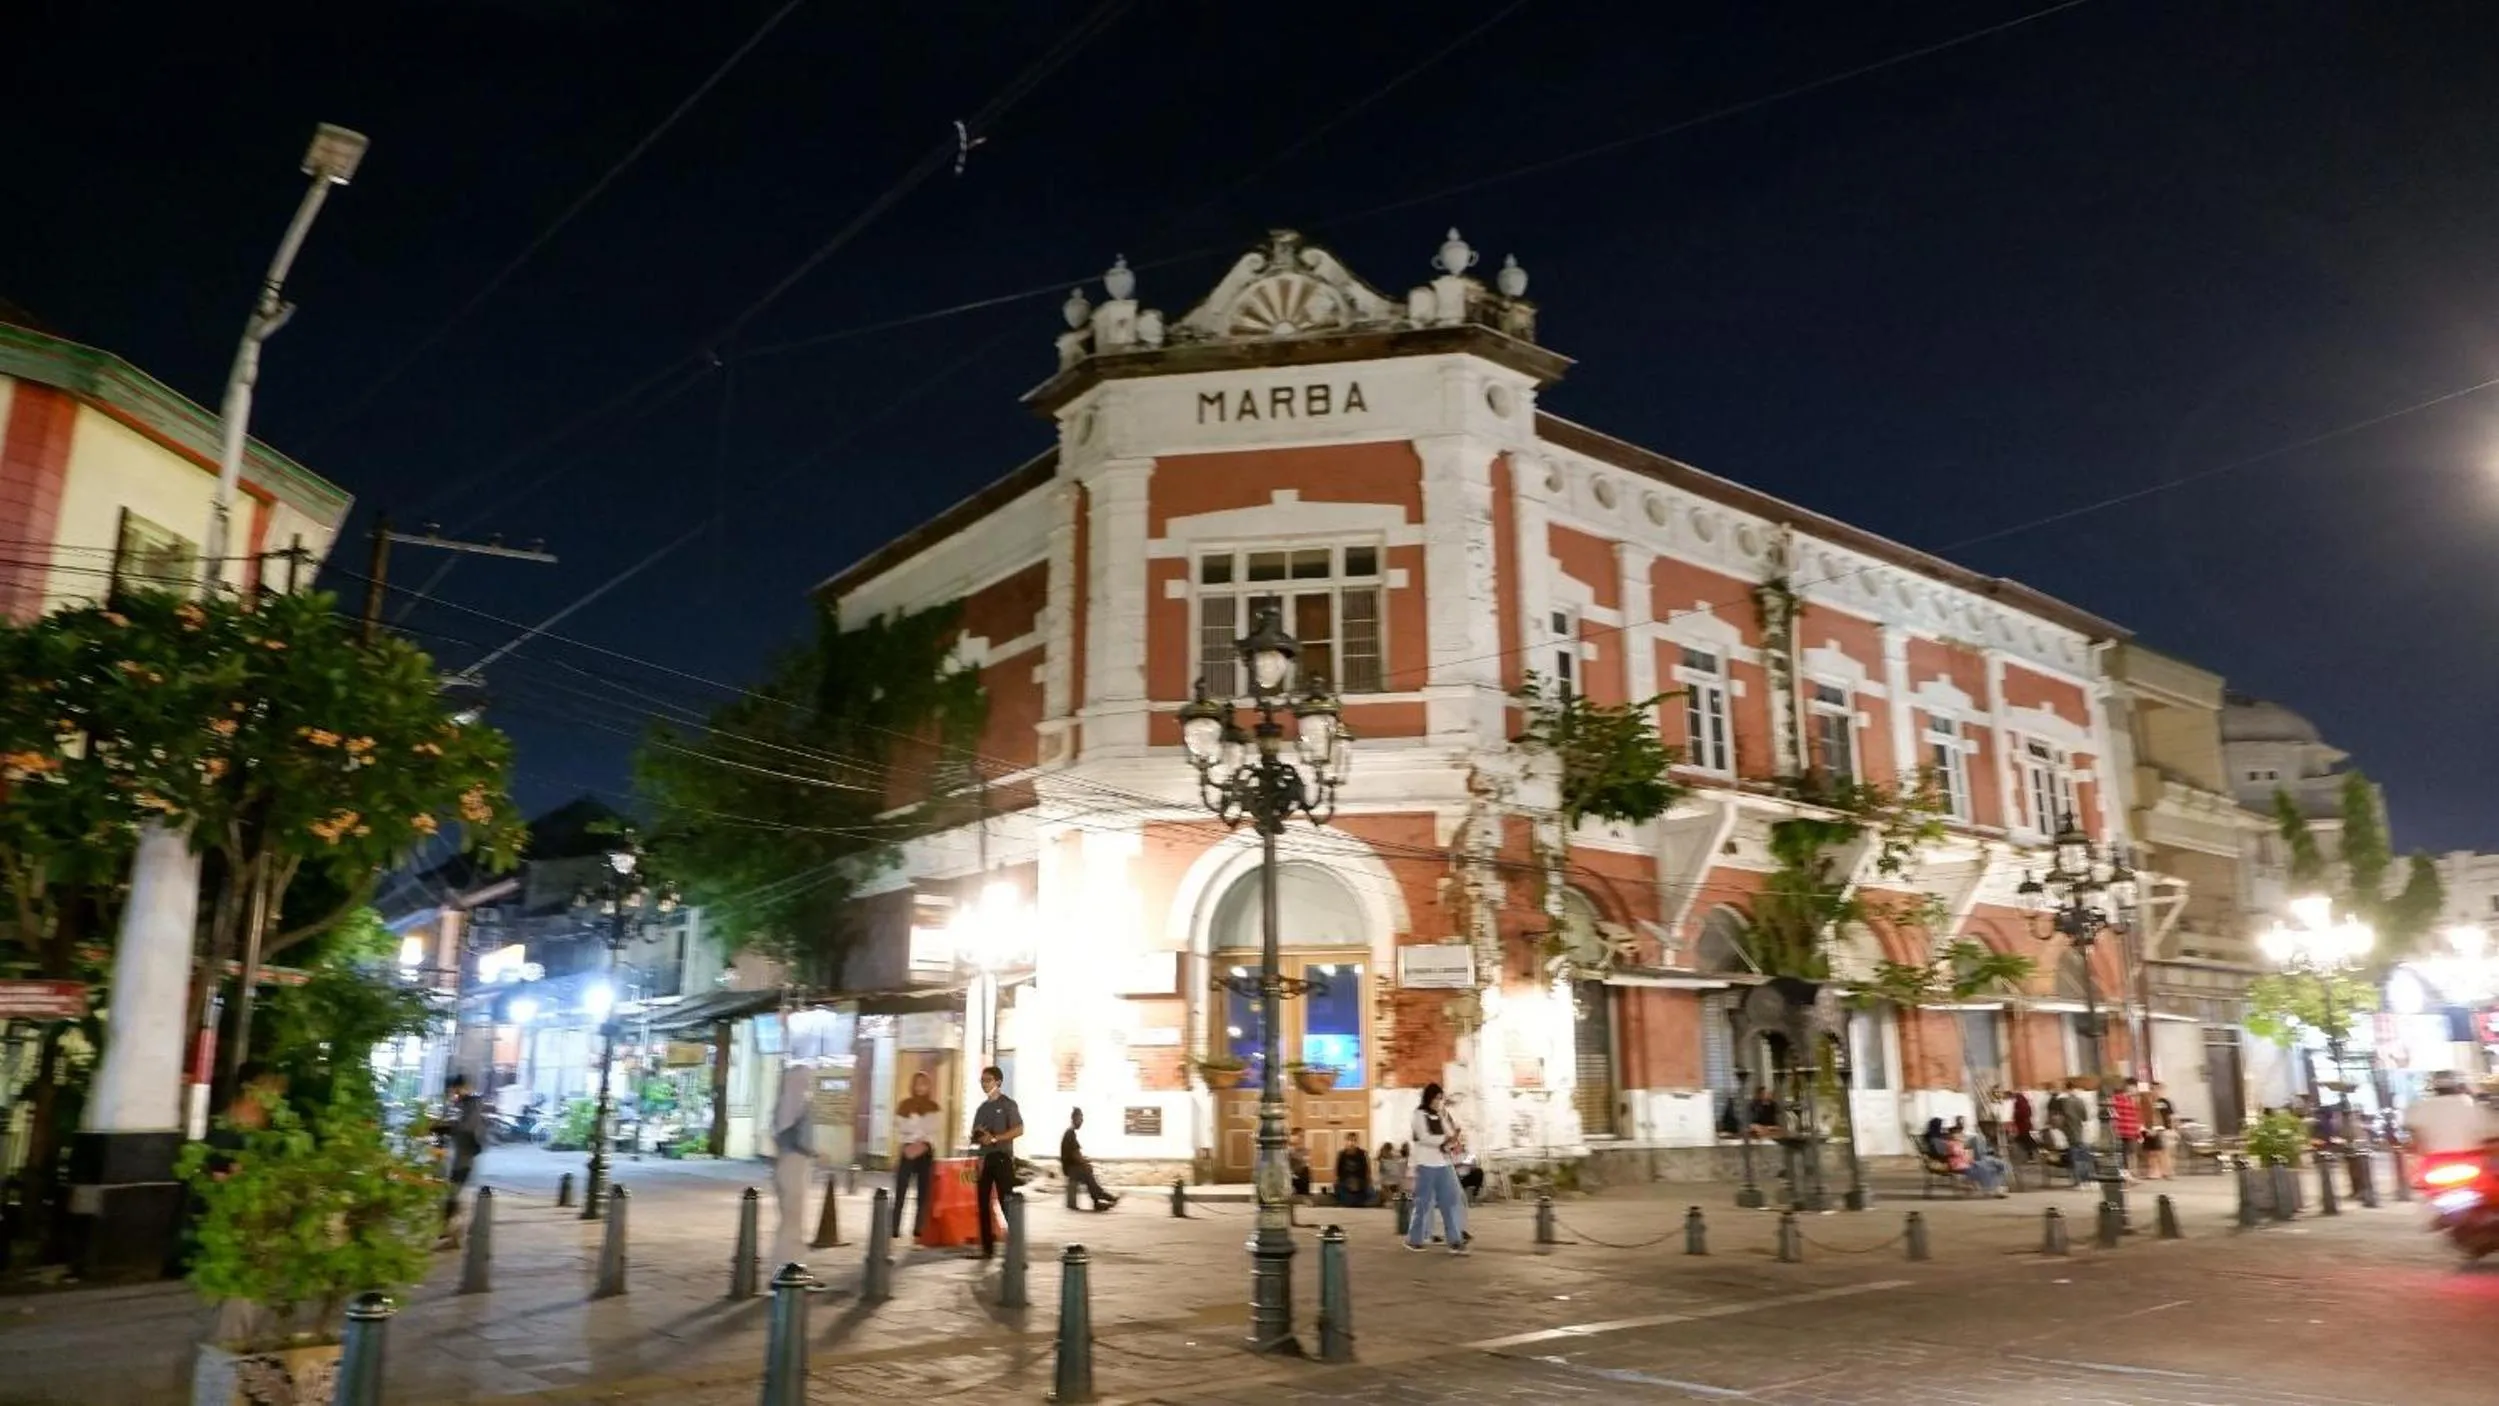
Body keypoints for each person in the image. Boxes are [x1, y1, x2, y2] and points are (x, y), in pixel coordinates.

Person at [1404, 1083, 1468, 1255]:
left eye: (1440, 1098)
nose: (1438, 1102)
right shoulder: (1418, 1114)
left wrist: (1454, 1139)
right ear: (1428, 1097)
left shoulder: (1441, 1115)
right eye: (1435, 1098)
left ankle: (1455, 1241)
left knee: (1451, 1201)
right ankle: (1414, 1239)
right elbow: (1424, 1137)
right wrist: (1445, 1139)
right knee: (1423, 1203)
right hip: (1425, 1164)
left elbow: (1450, 1134)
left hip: (1444, 1163)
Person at [968, 1065, 1023, 1260]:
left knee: (1006, 1202)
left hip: (1002, 1158)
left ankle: (1016, 1249)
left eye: (988, 1080)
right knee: (982, 1203)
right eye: (982, 1080)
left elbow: (1019, 1129)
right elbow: (975, 1135)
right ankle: (987, 1249)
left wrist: (995, 1138)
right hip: (985, 1159)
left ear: (998, 1081)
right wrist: (978, 1139)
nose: (984, 1083)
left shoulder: (1008, 1104)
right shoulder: (982, 1109)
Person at [430, 1074, 486, 1248]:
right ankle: (453, 1233)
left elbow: (466, 1127)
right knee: (452, 1196)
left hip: (464, 1160)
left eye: (454, 1090)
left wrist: (445, 1127)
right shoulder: (461, 1104)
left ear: (461, 1087)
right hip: (457, 1158)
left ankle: (453, 1234)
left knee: (452, 1195)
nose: (453, 1093)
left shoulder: (473, 1104)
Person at [892, 1069, 941, 1237]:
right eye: (917, 1084)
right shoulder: (904, 1104)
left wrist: (917, 1135)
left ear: (929, 1086)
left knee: (923, 1193)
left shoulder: (934, 1106)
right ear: (912, 1085)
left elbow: (933, 1129)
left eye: (924, 1084)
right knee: (900, 1190)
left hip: (925, 1152)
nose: (920, 1087)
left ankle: (918, 1229)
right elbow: (900, 1126)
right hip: (907, 1151)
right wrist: (918, 1131)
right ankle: (894, 1227)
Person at [2406, 1070, 2499, 1155]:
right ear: (2457, 1086)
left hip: (2435, 1161)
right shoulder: (2470, 1104)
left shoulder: (2421, 1106)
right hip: (2468, 1158)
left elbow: (2413, 1135)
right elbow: (2491, 1131)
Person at [1059, 1108, 1119, 1211]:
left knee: (1087, 1171)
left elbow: (1076, 1154)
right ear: (1074, 1118)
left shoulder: (1070, 1133)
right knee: (1087, 1171)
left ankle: (1097, 1200)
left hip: (1071, 1167)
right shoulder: (1070, 1133)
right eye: (1080, 1119)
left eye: (1082, 1119)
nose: (1081, 1122)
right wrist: (1085, 1163)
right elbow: (1075, 1155)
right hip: (1071, 1168)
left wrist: (1085, 1162)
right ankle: (1100, 1196)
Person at [1334, 1134, 1372, 1207]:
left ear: (1357, 1142)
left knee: (1369, 1194)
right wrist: (1336, 1178)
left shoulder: (1363, 1153)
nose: (1351, 1143)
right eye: (1350, 1140)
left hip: (1360, 1180)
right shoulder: (1341, 1154)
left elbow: (1368, 1168)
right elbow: (1336, 1167)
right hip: (1345, 1180)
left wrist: (1369, 1179)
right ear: (1346, 1141)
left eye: (1354, 1140)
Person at [1288, 1128, 1312, 1199]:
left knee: (1305, 1170)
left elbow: (1306, 1163)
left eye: (1302, 1136)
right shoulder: (1286, 1150)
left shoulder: (1305, 1151)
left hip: (1300, 1175)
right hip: (1289, 1175)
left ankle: (1304, 1194)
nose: (1300, 1138)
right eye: (1299, 1136)